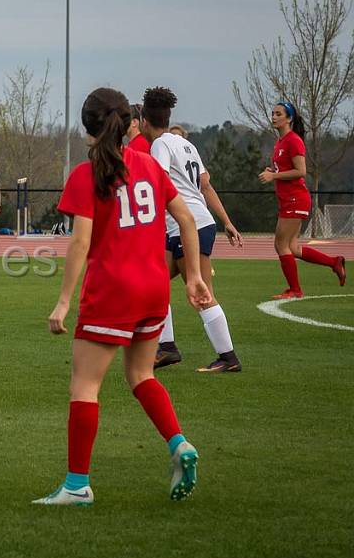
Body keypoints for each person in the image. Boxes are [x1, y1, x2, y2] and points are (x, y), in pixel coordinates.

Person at [35, 87, 211, 507]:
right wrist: (193, 277)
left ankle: (77, 486)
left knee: (85, 385)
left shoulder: (87, 173)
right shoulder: (149, 164)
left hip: (113, 290)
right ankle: (178, 444)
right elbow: (186, 217)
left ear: (88, 126)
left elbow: (80, 243)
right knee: (142, 375)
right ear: (128, 122)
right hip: (153, 291)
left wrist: (63, 301)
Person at [142, 87, 244, 374]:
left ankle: (227, 357)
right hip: (192, 224)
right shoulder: (186, 145)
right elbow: (205, 185)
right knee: (153, 282)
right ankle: (167, 347)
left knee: (201, 293)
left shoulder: (160, 145)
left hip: (190, 226)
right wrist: (226, 220)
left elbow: (158, 182)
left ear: (144, 121)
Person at [259, 101, 345, 298]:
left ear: (289, 118)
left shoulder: (293, 140)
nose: (273, 116)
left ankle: (295, 290)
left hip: (295, 199)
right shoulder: (280, 142)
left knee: (280, 244)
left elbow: (301, 171)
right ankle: (334, 262)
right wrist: (273, 171)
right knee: (293, 248)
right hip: (288, 199)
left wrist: (274, 176)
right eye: (272, 113)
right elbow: (286, 169)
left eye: (278, 114)